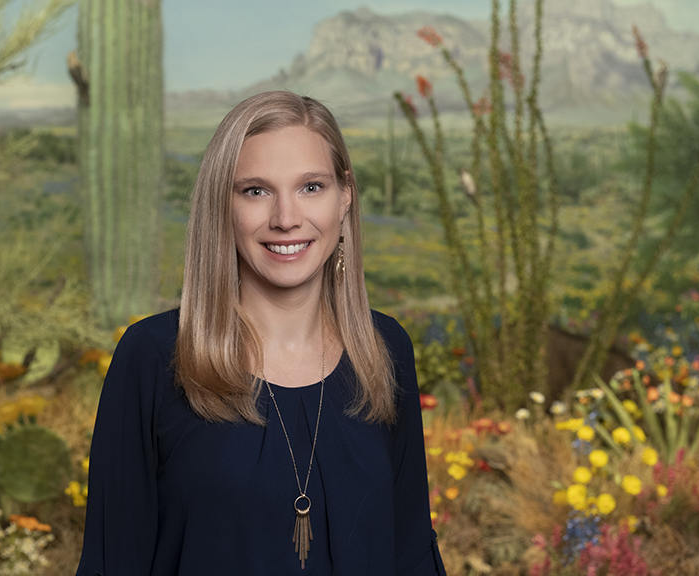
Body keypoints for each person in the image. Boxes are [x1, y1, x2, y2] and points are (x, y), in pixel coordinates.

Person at [75, 91, 447, 576]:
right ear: (221, 205)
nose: (286, 217)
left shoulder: (385, 349)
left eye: (311, 187)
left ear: (345, 196)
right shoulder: (154, 357)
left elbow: (413, 551)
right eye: (256, 190)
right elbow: (112, 562)